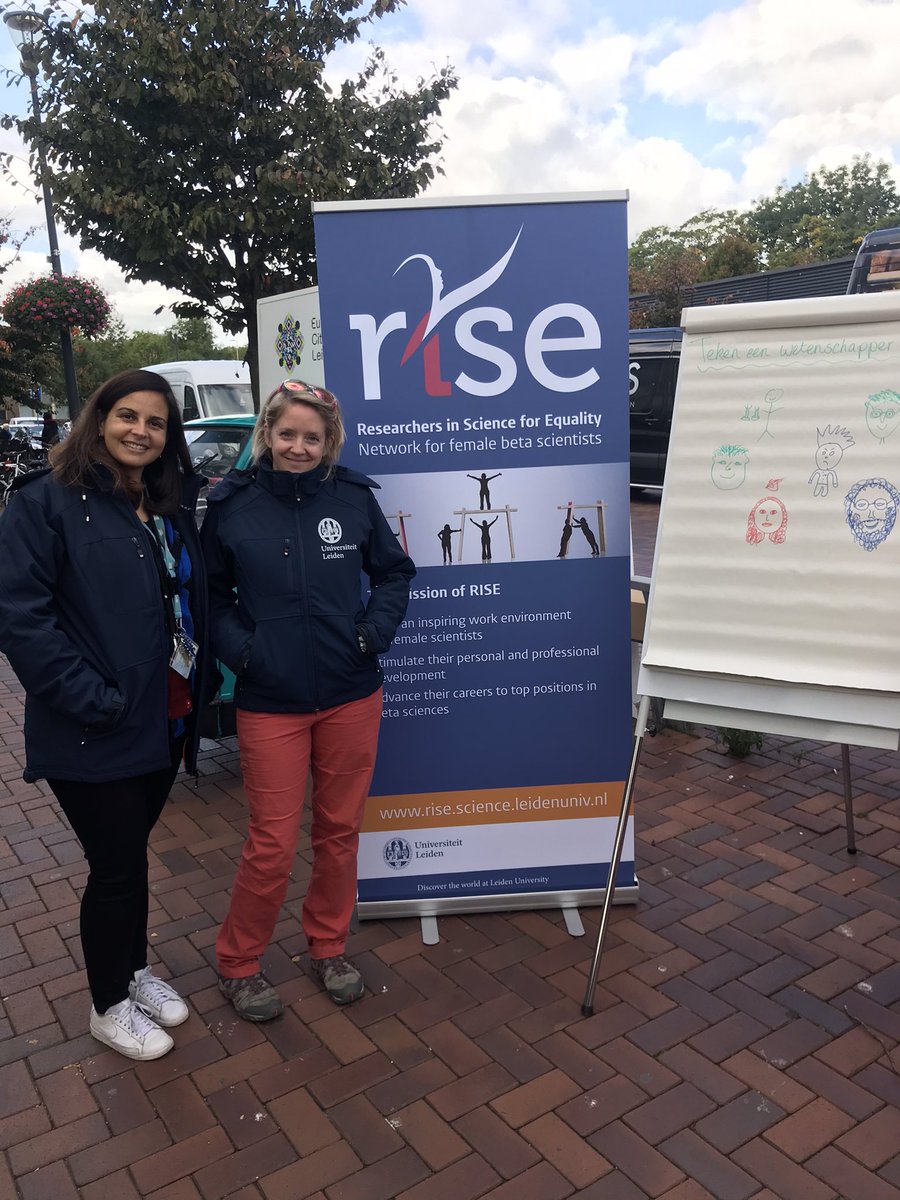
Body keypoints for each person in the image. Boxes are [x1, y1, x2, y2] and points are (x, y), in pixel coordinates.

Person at [0, 369, 211, 1062]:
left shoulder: (162, 503)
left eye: (155, 423)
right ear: (100, 417)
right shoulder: (46, 502)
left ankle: (132, 971)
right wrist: (95, 699)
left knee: (130, 858)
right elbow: (23, 619)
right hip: (93, 723)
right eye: (128, 416)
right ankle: (107, 1005)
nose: (140, 431)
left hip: (163, 716)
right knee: (114, 866)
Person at [202, 379, 414, 1018]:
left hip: (350, 693)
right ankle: (239, 964)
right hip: (270, 701)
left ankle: (328, 947)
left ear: (330, 443)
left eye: (312, 438)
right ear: (268, 435)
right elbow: (211, 598)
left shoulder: (351, 498)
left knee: (339, 831)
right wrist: (246, 653)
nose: (299, 447)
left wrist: (371, 634)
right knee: (270, 841)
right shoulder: (231, 506)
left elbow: (393, 573)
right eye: (288, 434)